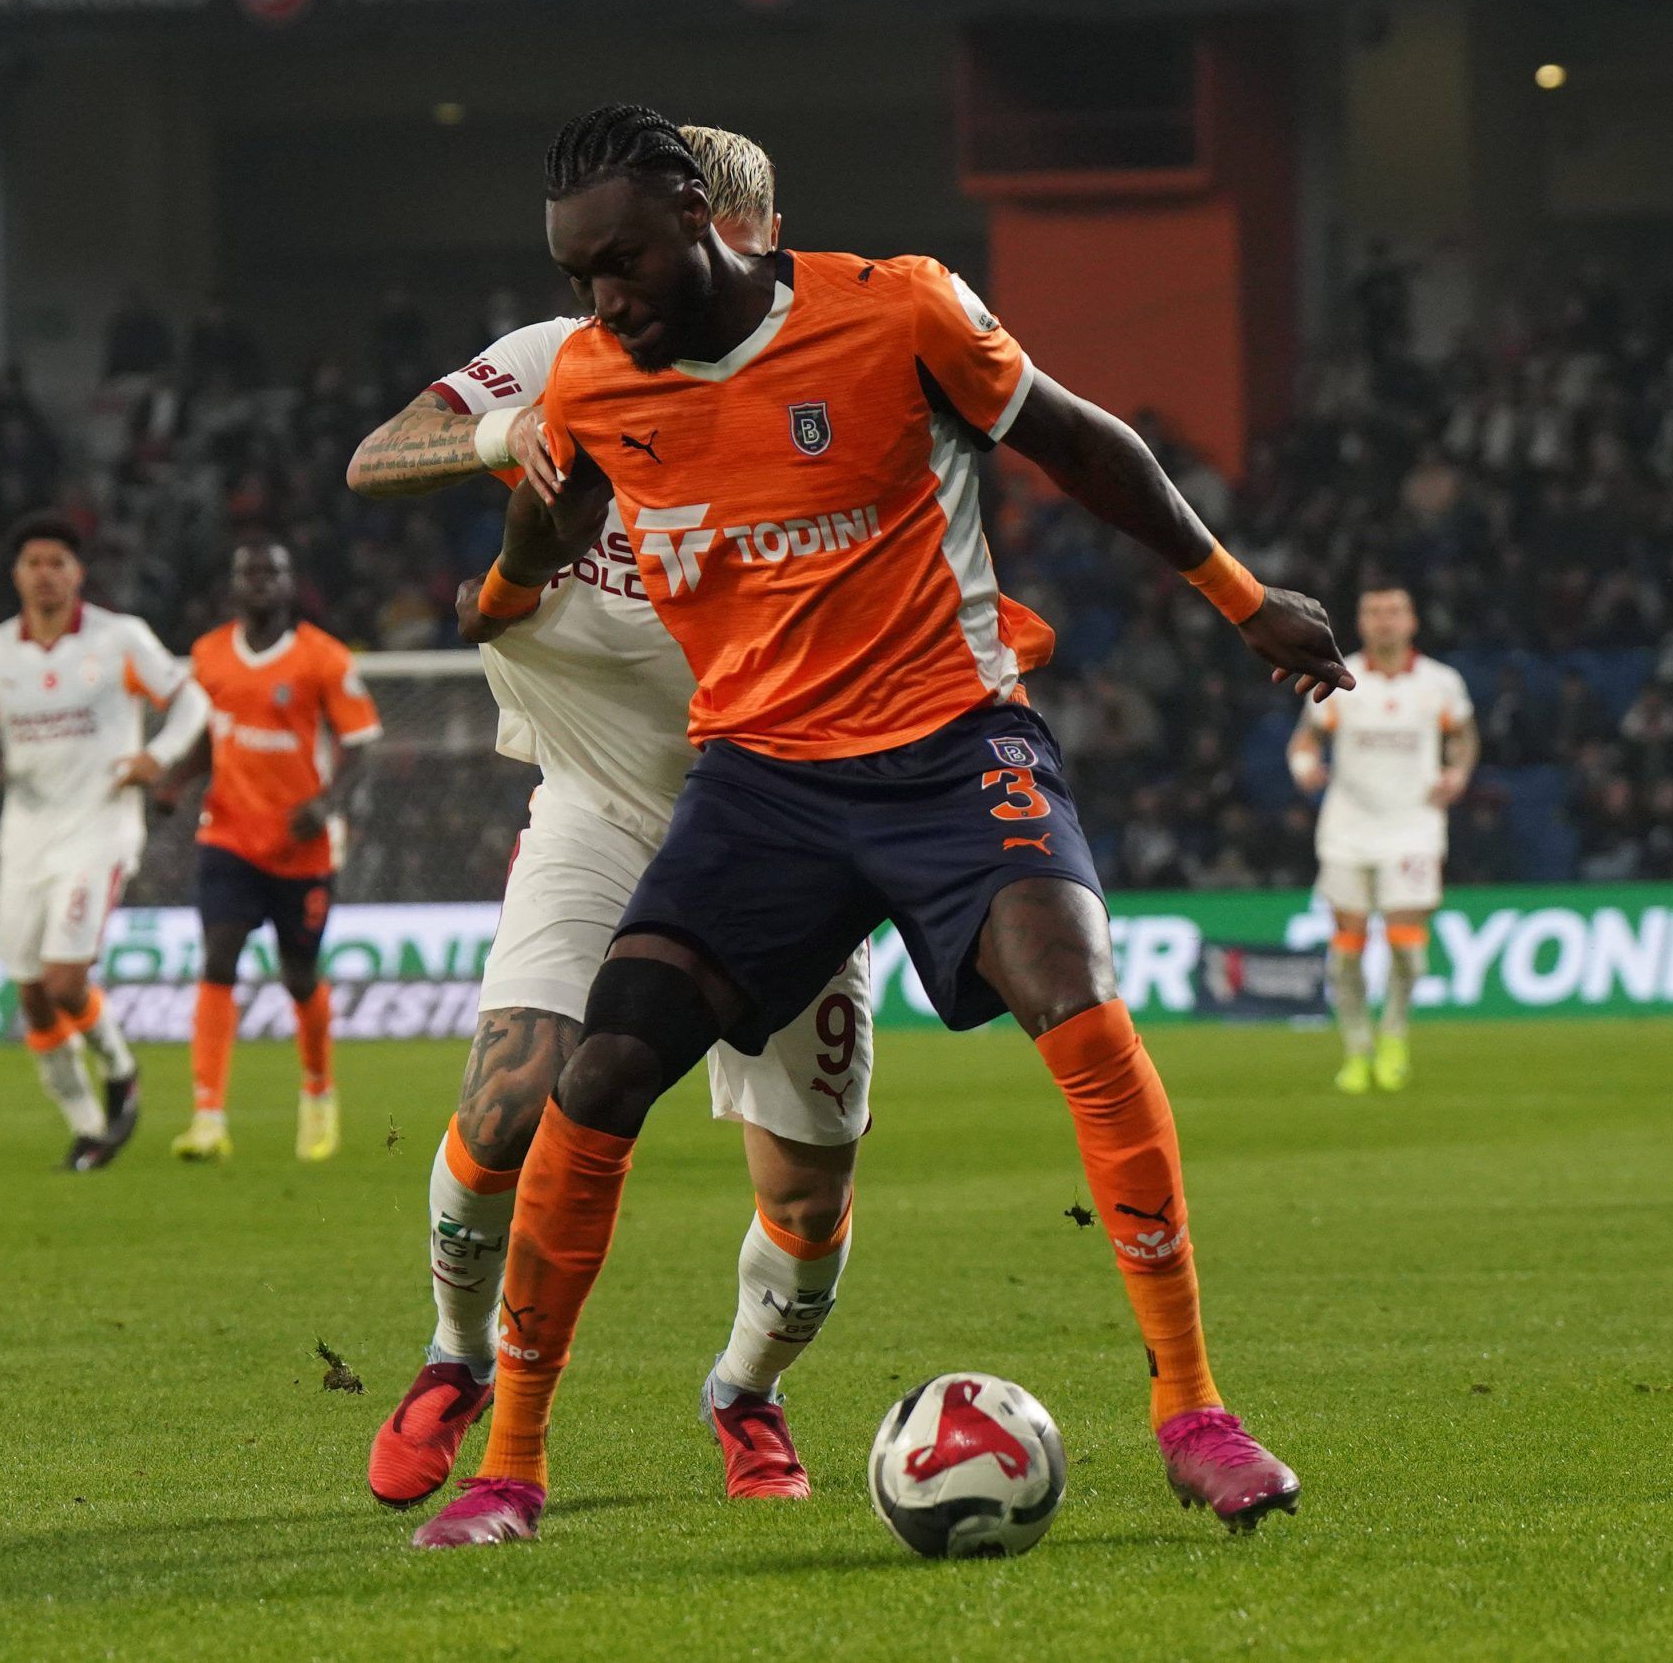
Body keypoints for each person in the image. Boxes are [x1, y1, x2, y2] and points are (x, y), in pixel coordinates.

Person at [412, 104, 1350, 1550]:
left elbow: (1085, 445)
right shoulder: (595, 381)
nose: (598, 297)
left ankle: (1196, 1412)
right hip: (762, 782)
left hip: (953, 745)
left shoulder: (896, 307)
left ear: (695, 216)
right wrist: (509, 568)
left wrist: (1242, 598)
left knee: (1081, 1000)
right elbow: (546, 532)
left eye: (619, 261)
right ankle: (512, 1465)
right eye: (576, 272)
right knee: (599, 1076)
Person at [348, 125, 883, 1509]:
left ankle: (746, 1391)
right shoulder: (553, 358)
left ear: (756, 235)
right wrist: (500, 434)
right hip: (598, 802)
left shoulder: (830, 375)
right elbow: (375, 455)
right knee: (512, 1092)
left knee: (808, 1190)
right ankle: (457, 1353)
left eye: (735, 232)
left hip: (788, 814)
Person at [0, 513, 207, 1170]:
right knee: (31, 990)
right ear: (16, 574)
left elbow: (192, 704)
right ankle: (89, 1125)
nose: (45, 572)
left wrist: (158, 755)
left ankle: (121, 1071)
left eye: (57, 561)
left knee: (67, 978)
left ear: (77, 573)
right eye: (33, 561)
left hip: (101, 825)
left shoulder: (119, 638)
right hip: (27, 835)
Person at [167, 542, 382, 1165]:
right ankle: (207, 1117)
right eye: (248, 573)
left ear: (292, 586)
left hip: (301, 848)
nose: (260, 582)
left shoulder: (324, 658)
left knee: (298, 975)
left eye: (273, 573)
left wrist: (327, 803)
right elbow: (211, 736)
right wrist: (176, 782)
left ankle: (318, 1093)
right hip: (228, 834)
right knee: (218, 958)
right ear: (233, 587)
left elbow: (362, 745)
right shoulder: (208, 656)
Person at [1286, 585, 1477, 1094]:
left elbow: (1463, 737)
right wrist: (1304, 765)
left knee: (1407, 949)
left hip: (1414, 826)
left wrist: (1457, 774)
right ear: (1362, 622)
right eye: (1374, 612)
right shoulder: (1339, 678)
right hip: (1348, 828)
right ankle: (1356, 1049)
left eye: (1394, 611)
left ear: (1412, 620)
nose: (1384, 621)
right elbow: (1307, 738)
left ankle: (1393, 1035)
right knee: (1346, 949)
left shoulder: (1440, 682)